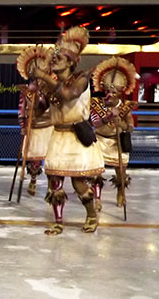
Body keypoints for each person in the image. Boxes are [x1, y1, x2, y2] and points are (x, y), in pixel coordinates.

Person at [30, 26, 104, 235]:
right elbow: (38, 111)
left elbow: (69, 94)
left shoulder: (81, 78)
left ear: (71, 62)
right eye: (53, 56)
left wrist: (44, 78)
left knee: (79, 182)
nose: (54, 60)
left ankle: (91, 215)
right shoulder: (49, 85)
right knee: (55, 182)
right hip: (58, 136)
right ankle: (58, 221)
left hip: (76, 136)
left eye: (59, 57)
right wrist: (35, 94)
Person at [90, 57, 137, 210]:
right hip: (100, 141)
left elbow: (130, 127)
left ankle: (121, 192)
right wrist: (107, 118)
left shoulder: (125, 107)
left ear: (120, 93)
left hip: (118, 143)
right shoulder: (95, 104)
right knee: (96, 172)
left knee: (121, 173)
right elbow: (95, 124)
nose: (109, 95)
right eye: (107, 91)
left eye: (113, 92)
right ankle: (97, 198)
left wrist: (122, 123)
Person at [15, 46, 54, 196]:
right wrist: (22, 125)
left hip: (49, 126)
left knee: (51, 158)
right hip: (34, 127)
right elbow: (21, 110)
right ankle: (33, 179)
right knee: (34, 159)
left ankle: (52, 184)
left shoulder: (51, 90)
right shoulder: (26, 91)